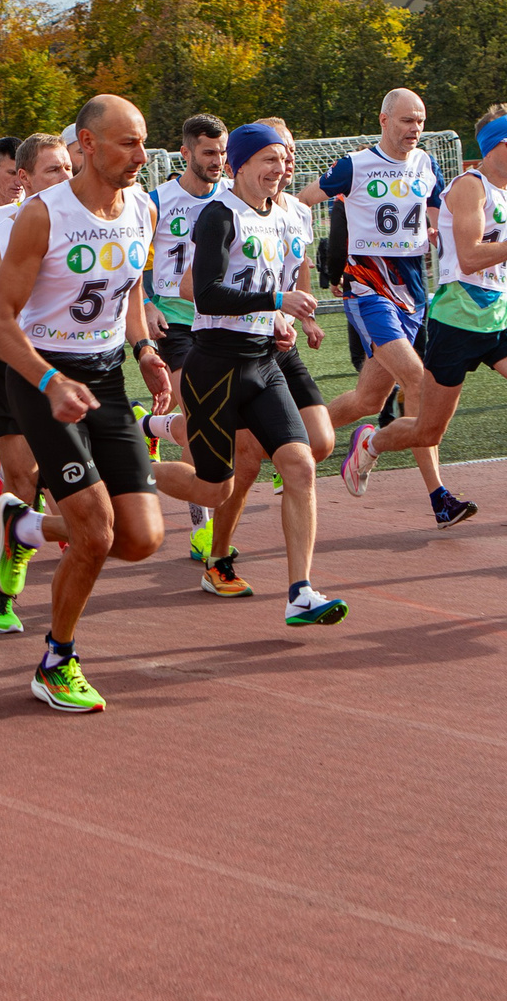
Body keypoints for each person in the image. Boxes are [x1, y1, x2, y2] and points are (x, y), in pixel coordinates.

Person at [0, 95, 173, 712]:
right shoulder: (43, 215)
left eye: (143, 142)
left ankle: (21, 526)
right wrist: (48, 381)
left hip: (108, 379)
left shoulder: (142, 207)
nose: (141, 156)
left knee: (140, 537)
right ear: (87, 145)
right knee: (94, 531)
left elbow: (131, 287)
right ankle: (56, 660)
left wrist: (143, 348)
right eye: (127, 144)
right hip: (41, 378)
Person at [344, 109, 507, 559]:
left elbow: (498, 245)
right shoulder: (467, 188)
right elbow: (467, 256)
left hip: (501, 317)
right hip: (457, 320)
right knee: (428, 431)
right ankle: (373, 442)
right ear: (492, 148)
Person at [156, 123, 345, 625]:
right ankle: (122, 468)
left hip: (264, 361)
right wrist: (277, 302)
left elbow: (271, 285)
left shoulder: (282, 218)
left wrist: (280, 319)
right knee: (215, 488)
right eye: (268, 159)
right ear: (239, 165)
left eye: (284, 160)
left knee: (302, 464)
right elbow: (209, 292)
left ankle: (300, 591)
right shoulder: (218, 216)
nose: (280, 169)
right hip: (215, 363)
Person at [307, 88, 467, 526]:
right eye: (406, 120)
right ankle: (439, 496)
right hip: (367, 288)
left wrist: (440, 233)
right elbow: (301, 200)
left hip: (413, 293)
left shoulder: (426, 164)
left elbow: (437, 215)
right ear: (383, 120)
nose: (414, 129)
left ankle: (290, 441)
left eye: (420, 120)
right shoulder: (354, 166)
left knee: (365, 398)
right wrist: (297, 252)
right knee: (417, 379)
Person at [0, 131, 75, 633]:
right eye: (53, 170)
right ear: (24, 179)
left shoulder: (83, 222)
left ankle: (43, 531)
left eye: (69, 169)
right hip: (13, 367)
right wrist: (21, 364)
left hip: (72, 367)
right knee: (22, 479)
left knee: (78, 488)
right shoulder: (1, 231)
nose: (64, 178)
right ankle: (0, 594)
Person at [146, 114, 229, 561]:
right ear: (186, 153)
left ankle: (148, 427)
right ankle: (202, 528)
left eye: (222, 152)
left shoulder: (234, 201)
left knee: (222, 423)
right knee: (199, 418)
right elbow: (132, 260)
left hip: (220, 323)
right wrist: (146, 304)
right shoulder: (157, 201)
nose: (218, 161)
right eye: (209, 152)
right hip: (174, 322)